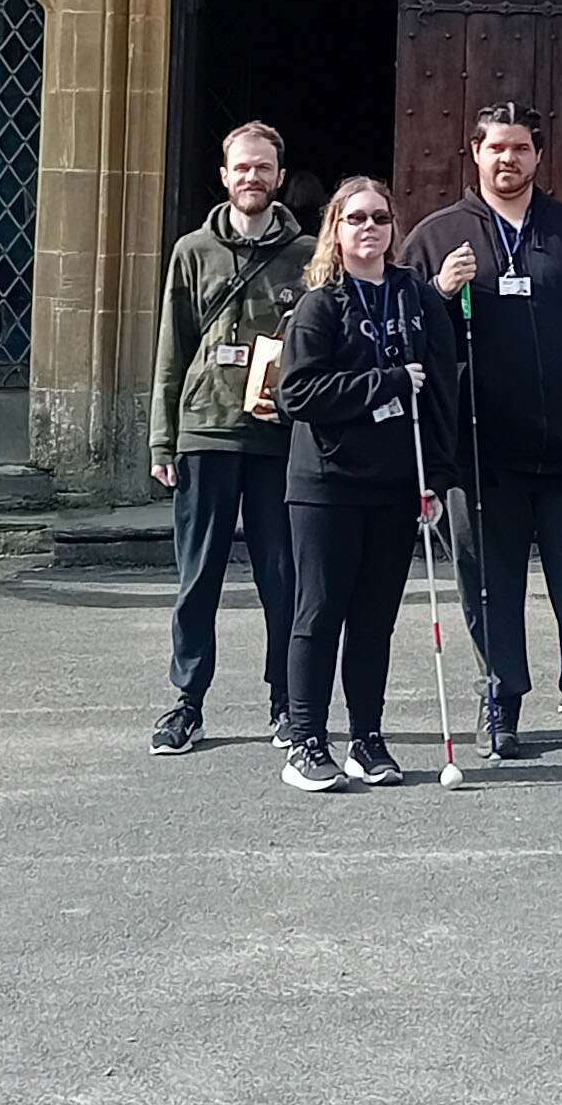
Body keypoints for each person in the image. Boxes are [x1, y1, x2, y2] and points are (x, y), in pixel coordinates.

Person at [404, 101, 562, 760]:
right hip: (483, 453)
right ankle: (498, 699)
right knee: (489, 583)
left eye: (520, 148)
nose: (507, 159)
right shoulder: (435, 236)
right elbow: (409, 341)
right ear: (475, 154)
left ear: (539, 156)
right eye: (495, 148)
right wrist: (439, 296)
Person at [268, 177, 459, 794]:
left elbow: (441, 390)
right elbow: (297, 393)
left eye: (379, 218)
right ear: (337, 230)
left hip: (396, 482)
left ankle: (367, 738)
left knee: (375, 619)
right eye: (356, 219)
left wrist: (437, 474)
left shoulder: (414, 297)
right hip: (327, 482)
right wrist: (385, 382)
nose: (369, 229)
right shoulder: (320, 305)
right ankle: (305, 739)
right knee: (320, 612)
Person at [147, 120, 312, 759]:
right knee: (198, 580)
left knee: (282, 578)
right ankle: (187, 702)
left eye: (263, 168)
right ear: (225, 175)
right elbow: (171, 348)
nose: (252, 177)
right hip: (206, 433)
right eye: (241, 167)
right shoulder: (192, 251)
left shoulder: (305, 256)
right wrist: (164, 440)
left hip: (277, 439)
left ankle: (286, 703)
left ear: (278, 175)